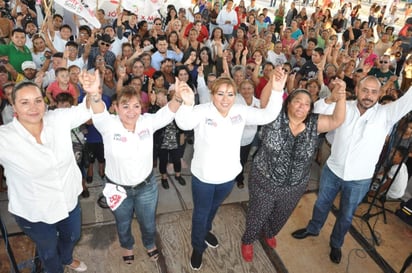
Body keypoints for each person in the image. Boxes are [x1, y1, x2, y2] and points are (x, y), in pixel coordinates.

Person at [175, 67, 287, 270]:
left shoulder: (240, 111)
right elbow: (183, 123)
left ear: (234, 96)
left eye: (229, 94)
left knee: (213, 208)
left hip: (227, 177)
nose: (225, 99)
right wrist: (187, 103)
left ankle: (206, 231)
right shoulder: (202, 111)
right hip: (204, 177)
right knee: (201, 212)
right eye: (220, 94)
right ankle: (198, 247)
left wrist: (277, 90)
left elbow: (268, 116)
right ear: (212, 94)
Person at [291, 76, 412, 264]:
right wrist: (331, 98)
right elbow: (317, 112)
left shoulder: (387, 114)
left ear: (380, 94)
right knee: (321, 204)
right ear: (356, 90)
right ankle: (313, 229)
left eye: (373, 92)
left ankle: (336, 243)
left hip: (359, 179)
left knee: (346, 215)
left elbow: (409, 100)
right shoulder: (344, 106)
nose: (368, 95)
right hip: (333, 170)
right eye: (365, 90)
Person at [81, 70, 184, 264]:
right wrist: (94, 93)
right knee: (122, 223)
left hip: (146, 187)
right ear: (116, 108)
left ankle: (149, 243)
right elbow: (97, 109)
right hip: (117, 189)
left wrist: (178, 96)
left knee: (148, 223)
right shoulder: (108, 125)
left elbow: (168, 112)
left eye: (136, 106)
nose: (131, 111)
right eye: (125, 106)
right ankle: (127, 245)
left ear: (142, 107)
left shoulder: (147, 122)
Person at [241, 77, 347, 262]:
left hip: (295, 185)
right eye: (297, 101)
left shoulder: (315, 124)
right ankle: (248, 240)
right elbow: (265, 101)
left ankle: (269, 231)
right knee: (258, 213)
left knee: (280, 216)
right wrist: (273, 81)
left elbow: (337, 120)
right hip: (265, 180)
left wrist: (342, 94)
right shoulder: (273, 117)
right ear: (288, 103)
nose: (302, 106)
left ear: (310, 108)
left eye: (307, 104)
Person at [0, 81, 96, 273]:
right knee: (49, 251)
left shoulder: (58, 119)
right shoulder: (5, 138)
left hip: (69, 200)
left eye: (37, 100)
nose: (33, 107)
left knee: (72, 236)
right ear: (13, 105)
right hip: (35, 213)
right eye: (25, 102)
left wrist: (92, 92)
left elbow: (86, 109)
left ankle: (67, 258)